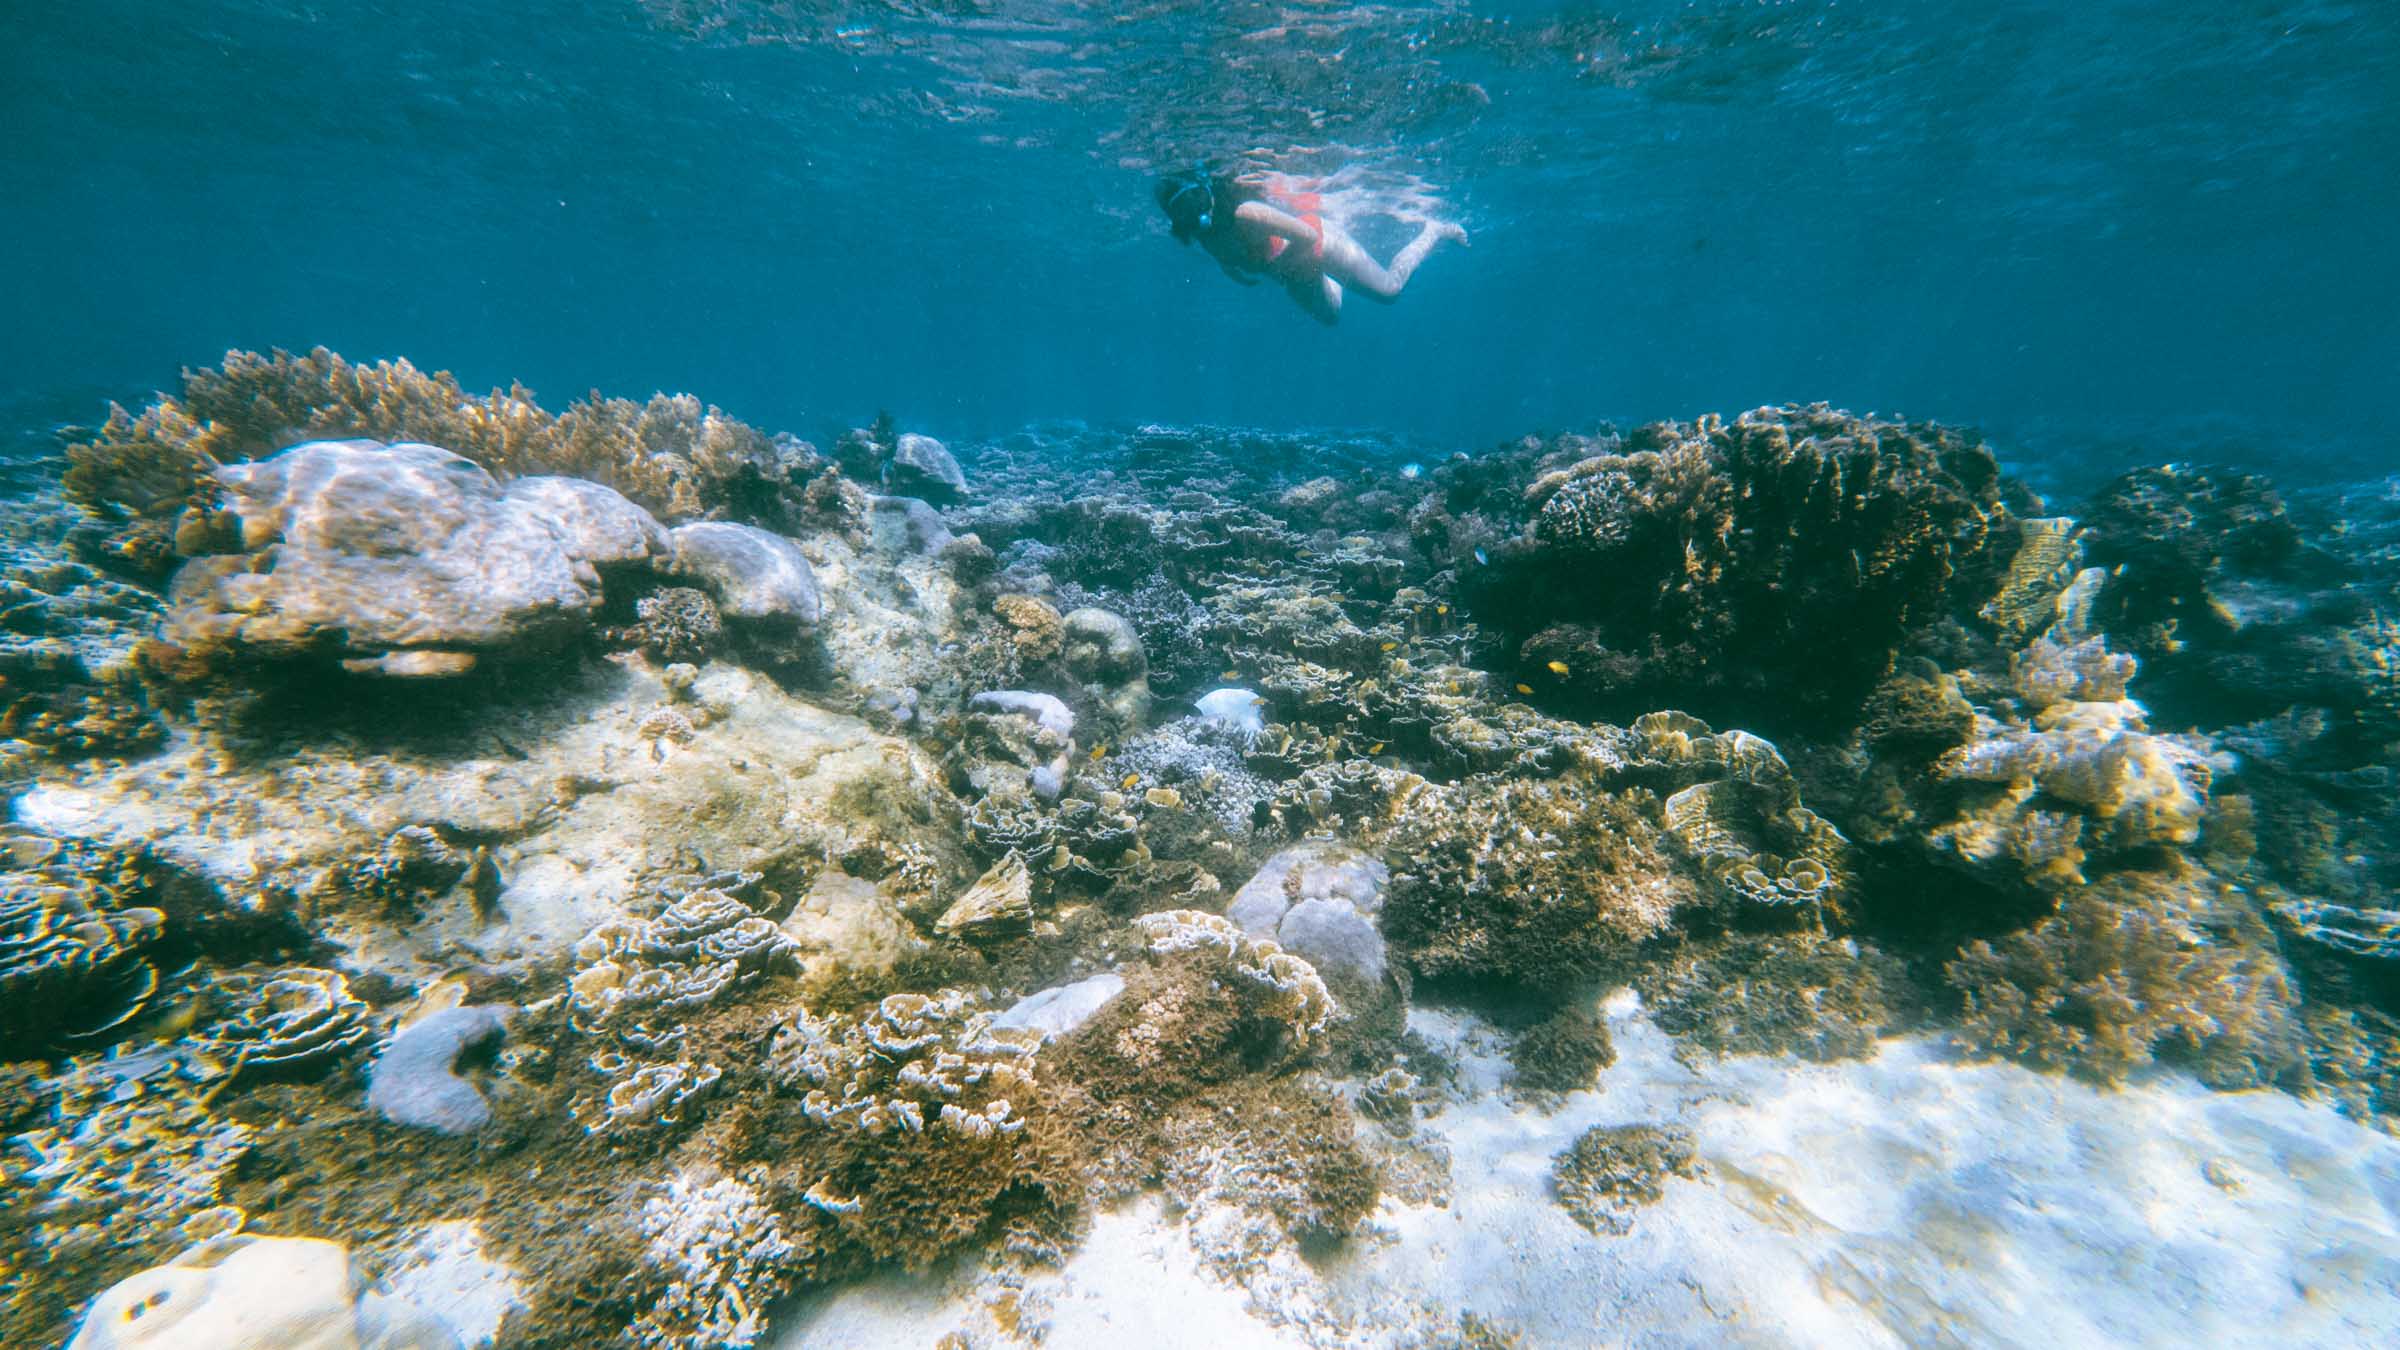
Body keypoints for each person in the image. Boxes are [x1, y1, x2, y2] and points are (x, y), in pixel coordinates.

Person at [1154, 169, 1466, 325]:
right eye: (1184, 212)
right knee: (1331, 317)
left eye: (1196, 202)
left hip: (1319, 242)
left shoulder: (1246, 214)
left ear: (1208, 192)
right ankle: (1332, 273)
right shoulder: (1201, 233)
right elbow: (1223, 256)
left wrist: (1280, 267)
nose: (1197, 214)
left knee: (1389, 292)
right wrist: (1236, 273)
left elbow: (1306, 236)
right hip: (1293, 271)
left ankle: (1434, 230)